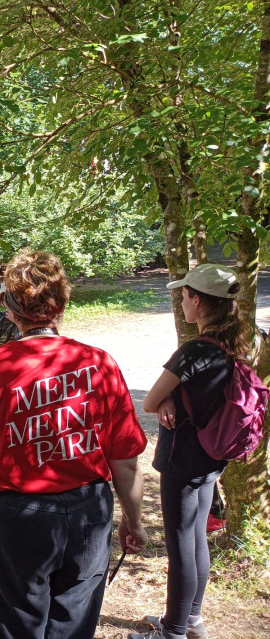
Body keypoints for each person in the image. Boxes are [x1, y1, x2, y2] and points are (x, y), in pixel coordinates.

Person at [0, 250, 149, 639]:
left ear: (10, 310)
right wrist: (133, 520)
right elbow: (126, 459)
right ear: (62, 304)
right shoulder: (99, 363)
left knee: (16, 625)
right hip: (89, 511)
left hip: (16, 516)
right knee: (74, 623)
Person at [133, 264, 248, 639]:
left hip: (183, 458)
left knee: (182, 542)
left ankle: (173, 630)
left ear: (197, 301)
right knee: (196, 536)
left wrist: (164, 398)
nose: (181, 301)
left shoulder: (194, 350)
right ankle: (191, 619)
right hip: (212, 457)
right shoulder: (233, 345)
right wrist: (170, 398)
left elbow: (149, 402)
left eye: (184, 296)